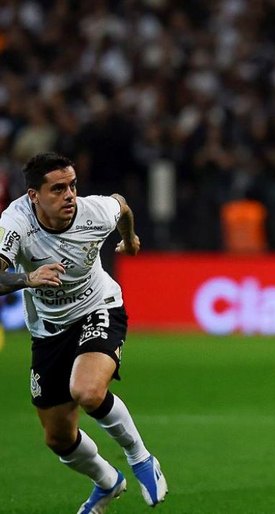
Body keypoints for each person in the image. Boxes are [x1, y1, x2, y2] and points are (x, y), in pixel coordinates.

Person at [0, 152, 168, 513]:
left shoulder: (93, 211)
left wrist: (131, 239)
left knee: (87, 391)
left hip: (98, 307)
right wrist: (29, 278)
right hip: (48, 329)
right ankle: (108, 483)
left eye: (72, 185)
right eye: (57, 188)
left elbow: (121, 206)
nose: (69, 195)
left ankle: (140, 458)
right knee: (58, 437)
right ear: (34, 196)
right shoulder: (14, 224)